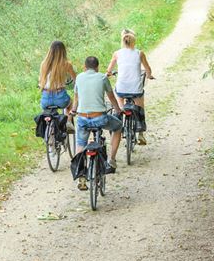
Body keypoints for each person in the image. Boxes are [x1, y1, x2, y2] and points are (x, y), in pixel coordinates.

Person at [70, 55, 122, 190]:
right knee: (118, 127)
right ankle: (111, 159)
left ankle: (81, 174)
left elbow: (76, 98)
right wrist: (117, 110)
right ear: (97, 67)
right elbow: (111, 97)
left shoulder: (79, 78)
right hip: (100, 118)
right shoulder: (102, 78)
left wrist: (74, 110)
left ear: (84, 67)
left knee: (80, 143)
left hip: (82, 118)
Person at [106, 29, 154, 145]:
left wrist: (109, 73)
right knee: (140, 106)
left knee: (118, 101)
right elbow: (147, 69)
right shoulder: (139, 53)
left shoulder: (117, 54)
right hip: (135, 90)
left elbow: (109, 70)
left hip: (122, 89)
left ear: (122, 41)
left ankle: (118, 119)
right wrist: (149, 75)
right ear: (134, 41)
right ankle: (141, 133)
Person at [38, 40, 76, 110]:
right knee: (70, 103)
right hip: (60, 98)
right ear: (63, 51)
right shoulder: (66, 64)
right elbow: (75, 80)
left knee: (47, 113)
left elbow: (40, 82)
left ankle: (48, 119)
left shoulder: (43, 64)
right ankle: (68, 120)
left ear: (50, 51)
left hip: (45, 99)